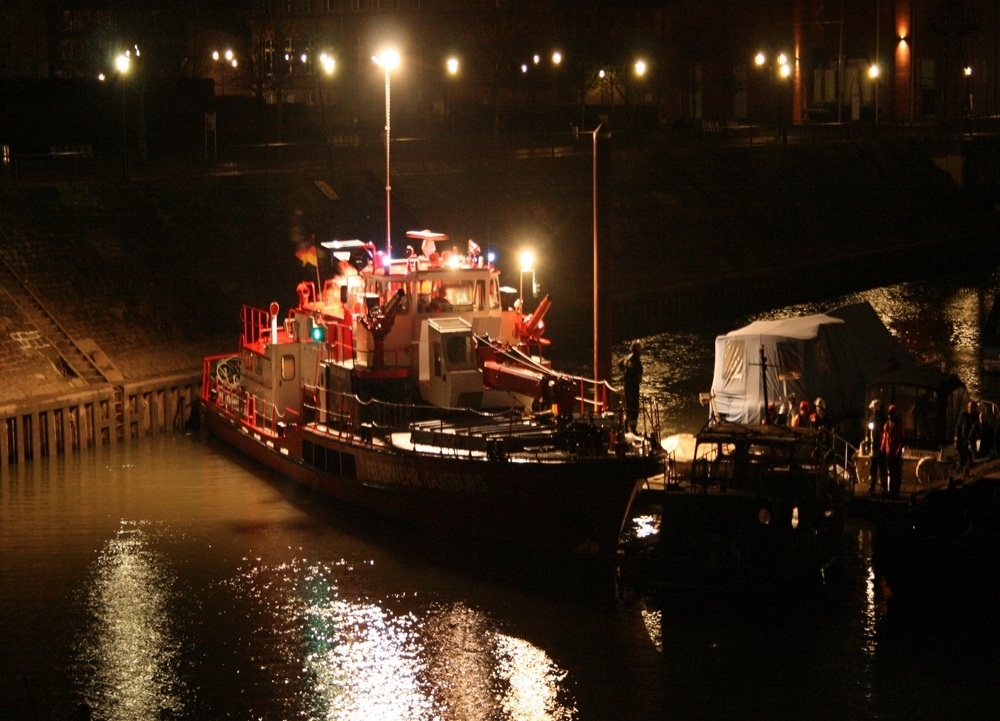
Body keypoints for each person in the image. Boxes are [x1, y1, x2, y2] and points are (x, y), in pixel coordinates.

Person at [881, 404, 905, 498]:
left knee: (896, 473)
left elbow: (901, 441)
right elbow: (884, 437)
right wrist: (883, 447)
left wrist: (897, 452)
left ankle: (896, 492)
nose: (890, 415)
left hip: (895, 453)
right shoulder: (887, 424)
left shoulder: (898, 425)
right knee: (890, 473)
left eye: (892, 413)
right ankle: (891, 491)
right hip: (888, 452)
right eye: (889, 413)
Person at [620, 341, 643, 434]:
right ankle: (633, 429)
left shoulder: (627, 358)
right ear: (637, 350)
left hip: (627, 386)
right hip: (633, 387)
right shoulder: (636, 361)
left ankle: (626, 427)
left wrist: (625, 373)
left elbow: (619, 363)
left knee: (628, 407)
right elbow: (639, 375)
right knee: (634, 409)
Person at [867, 399, 888, 496]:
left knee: (882, 469)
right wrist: (867, 445)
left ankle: (883, 487)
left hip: (880, 448)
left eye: (874, 408)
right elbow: (868, 433)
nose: (873, 410)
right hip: (874, 448)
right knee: (873, 469)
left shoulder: (883, 419)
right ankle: (873, 486)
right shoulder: (873, 418)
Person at [954, 400, 980, 472]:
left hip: (972, 442)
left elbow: (978, 429)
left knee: (970, 460)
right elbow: (958, 427)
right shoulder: (963, 415)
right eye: (969, 407)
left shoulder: (977, 416)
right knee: (961, 459)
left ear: (974, 408)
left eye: (972, 407)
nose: (970, 409)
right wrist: (956, 437)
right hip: (963, 440)